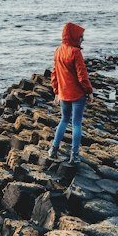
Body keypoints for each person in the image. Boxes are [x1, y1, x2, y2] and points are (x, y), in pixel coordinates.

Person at [49, 21, 93, 164]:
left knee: (63, 120)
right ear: (74, 36)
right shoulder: (76, 52)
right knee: (76, 124)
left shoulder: (58, 50)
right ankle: (74, 155)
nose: (82, 39)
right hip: (77, 95)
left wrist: (56, 92)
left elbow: (54, 74)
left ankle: (53, 149)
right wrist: (89, 91)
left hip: (63, 94)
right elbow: (82, 76)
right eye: (81, 36)